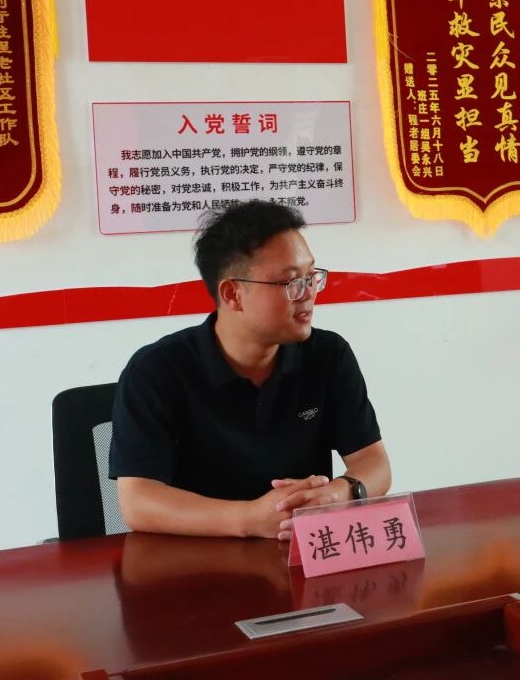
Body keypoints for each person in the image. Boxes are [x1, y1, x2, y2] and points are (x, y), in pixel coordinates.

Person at [110, 200, 391, 540]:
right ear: (233, 294)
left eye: (311, 277)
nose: (308, 294)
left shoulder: (328, 355)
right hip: (194, 559)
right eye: (291, 282)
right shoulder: (156, 371)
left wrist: (339, 493)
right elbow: (138, 502)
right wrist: (249, 519)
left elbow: (375, 464)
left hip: (296, 554)